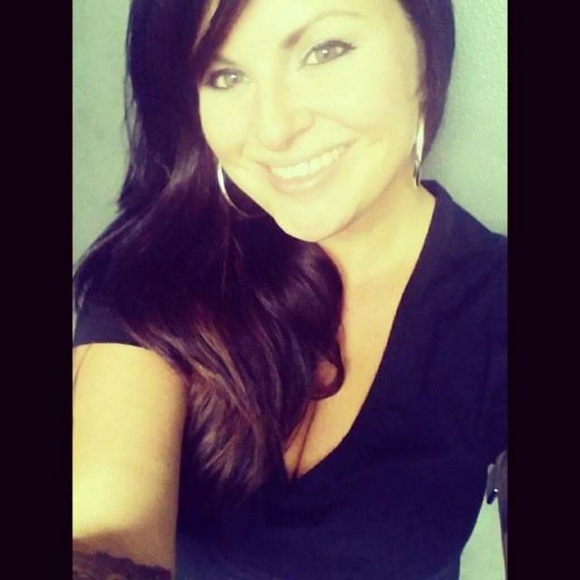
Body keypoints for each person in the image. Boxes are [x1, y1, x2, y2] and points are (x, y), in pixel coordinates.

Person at [73, 0, 507, 578]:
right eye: (225, 75)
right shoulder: (159, 265)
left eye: (325, 50)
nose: (274, 130)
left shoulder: (497, 299)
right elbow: (104, 527)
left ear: (426, 52)